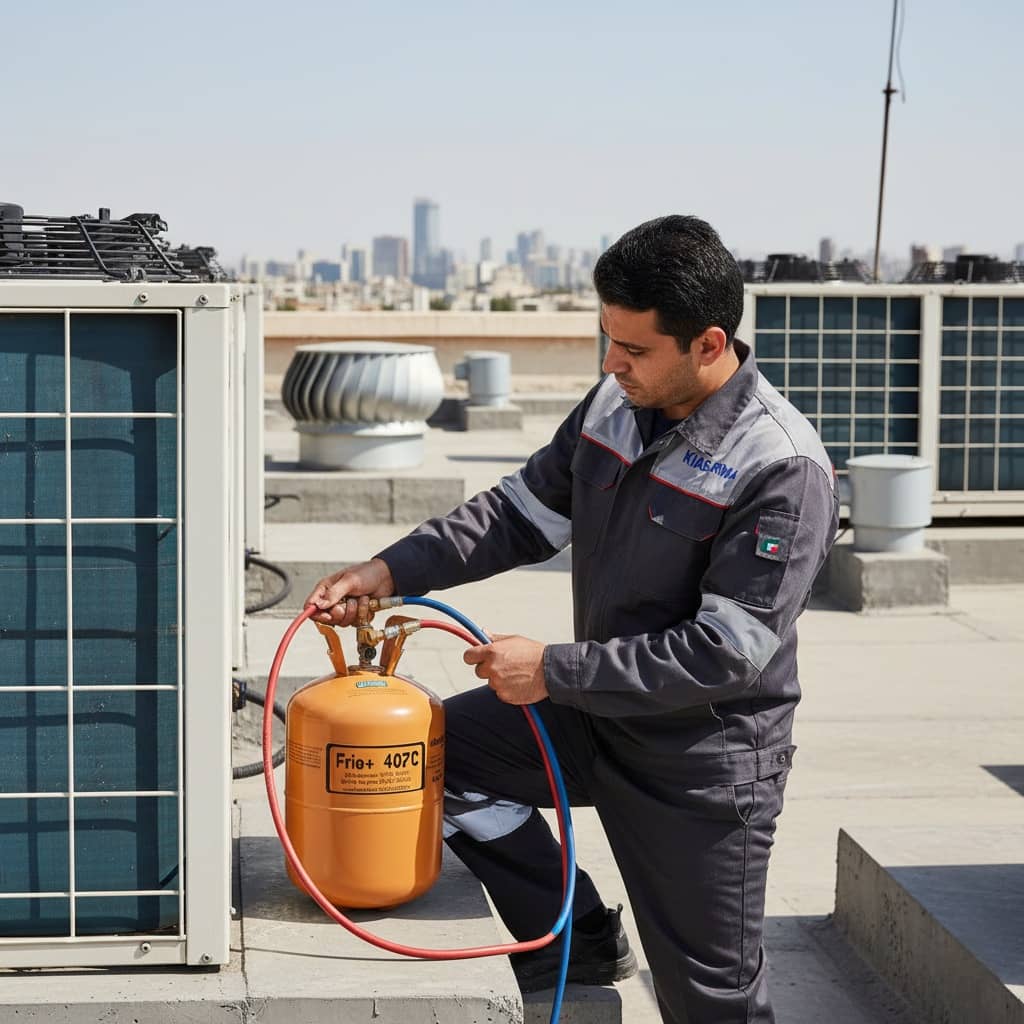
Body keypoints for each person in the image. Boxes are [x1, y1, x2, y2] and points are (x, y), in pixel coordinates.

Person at [306, 215, 839, 1023]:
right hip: (592, 714)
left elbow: (725, 654)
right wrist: (389, 572)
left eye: (633, 349)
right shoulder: (614, 405)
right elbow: (517, 514)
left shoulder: (780, 466)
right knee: (433, 755)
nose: (610, 363)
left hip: (701, 760)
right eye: (606, 339)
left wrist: (552, 670)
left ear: (708, 343)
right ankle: (579, 935)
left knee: (711, 1000)